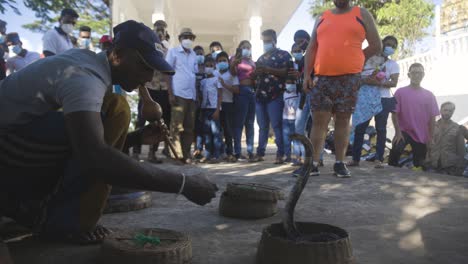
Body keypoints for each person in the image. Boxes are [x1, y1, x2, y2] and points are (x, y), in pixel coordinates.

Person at [0, 21, 217, 246]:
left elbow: (87, 142)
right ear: (117, 55)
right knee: (117, 112)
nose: (148, 77)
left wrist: (135, 139)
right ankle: (53, 218)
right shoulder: (85, 78)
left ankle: (50, 209)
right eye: (143, 67)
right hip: (7, 150)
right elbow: (94, 156)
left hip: (20, 142)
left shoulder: (91, 65)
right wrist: (182, 184)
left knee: (115, 107)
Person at [303, 0, 382, 177]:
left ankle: (339, 163)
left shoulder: (362, 14)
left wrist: (357, 58)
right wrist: (307, 75)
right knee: (319, 121)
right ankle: (313, 164)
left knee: (343, 120)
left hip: (349, 78)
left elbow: (377, 45)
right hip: (322, 77)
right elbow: (312, 47)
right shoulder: (322, 17)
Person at [349, 35, 400, 168]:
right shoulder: (367, 61)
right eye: (388, 44)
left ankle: (378, 159)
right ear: (381, 44)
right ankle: (355, 159)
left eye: (393, 46)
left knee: (381, 129)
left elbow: (393, 82)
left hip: (383, 99)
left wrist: (378, 82)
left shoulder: (393, 65)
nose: (390, 47)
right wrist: (367, 80)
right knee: (360, 127)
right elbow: (358, 77)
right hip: (366, 98)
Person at [251, 29, 292, 164]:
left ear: (274, 40)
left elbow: (287, 72)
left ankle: (281, 154)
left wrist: (268, 70)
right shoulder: (261, 58)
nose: (266, 44)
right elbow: (255, 78)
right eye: (264, 41)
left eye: (268, 41)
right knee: (262, 126)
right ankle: (260, 153)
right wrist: (255, 73)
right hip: (260, 96)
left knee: (276, 125)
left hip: (275, 95)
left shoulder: (284, 55)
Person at [133, 19, 171, 163]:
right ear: (153, 30)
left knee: (159, 121)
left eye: (162, 29)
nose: (160, 32)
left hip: (162, 89)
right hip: (148, 87)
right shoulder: (146, 46)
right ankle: (135, 152)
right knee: (141, 120)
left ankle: (152, 154)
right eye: (157, 29)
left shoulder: (168, 50)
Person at [388, 63, 439, 170]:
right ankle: (389, 176)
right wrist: (398, 132)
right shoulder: (400, 92)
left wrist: (431, 137)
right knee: (396, 150)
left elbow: (432, 119)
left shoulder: (429, 95)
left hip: (421, 134)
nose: (417, 75)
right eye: (414, 73)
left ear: (423, 75)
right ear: (409, 75)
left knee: (419, 164)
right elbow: (394, 113)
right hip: (404, 132)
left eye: (419, 73)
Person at [165, 28, 199, 163]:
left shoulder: (194, 54)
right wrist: (170, 93)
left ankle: (186, 155)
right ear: (180, 39)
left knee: (189, 127)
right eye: (185, 37)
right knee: (176, 127)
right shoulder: (173, 52)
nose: (188, 40)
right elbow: (167, 72)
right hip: (178, 93)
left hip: (191, 95)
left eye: (190, 37)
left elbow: (194, 74)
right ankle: (177, 155)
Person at [230, 40, 256, 161]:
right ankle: (238, 152)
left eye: (248, 47)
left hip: (252, 91)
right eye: (244, 47)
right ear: (239, 48)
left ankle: (250, 151)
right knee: (239, 123)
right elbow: (232, 73)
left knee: (250, 124)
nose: (246, 49)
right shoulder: (234, 59)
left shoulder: (252, 61)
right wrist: (234, 63)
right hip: (241, 91)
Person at [425, 102, 466, 176]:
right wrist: (426, 160)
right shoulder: (432, 126)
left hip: (450, 167)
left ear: (453, 112)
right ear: (440, 110)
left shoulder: (458, 128)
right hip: (432, 165)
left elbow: (461, 150)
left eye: (450, 111)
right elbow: (426, 145)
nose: (447, 113)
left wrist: (460, 167)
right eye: (445, 110)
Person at [216, 51, 240, 162]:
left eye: (224, 60)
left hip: (228, 104)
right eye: (219, 61)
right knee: (217, 130)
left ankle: (230, 152)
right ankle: (219, 153)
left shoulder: (231, 74)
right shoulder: (214, 73)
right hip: (215, 106)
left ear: (228, 62)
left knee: (228, 130)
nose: (222, 62)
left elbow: (236, 90)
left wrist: (224, 84)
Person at [199, 57, 223, 163]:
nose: (208, 68)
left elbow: (220, 95)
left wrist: (218, 110)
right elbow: (201, 96)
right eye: (206, 66)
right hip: (205, 109)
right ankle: (208, 154)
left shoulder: (217, 80)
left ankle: (217, 155)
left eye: (211, 66)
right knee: (206, 132)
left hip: (214, 109)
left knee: (216, 132)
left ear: (214, 67)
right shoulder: (203, 81)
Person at [282, 76, 300, 163]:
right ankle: (287, 156)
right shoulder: (284, 93)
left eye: (291, 83)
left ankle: (297, 157)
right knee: (286, 139)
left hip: (294, 119)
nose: (289, 85)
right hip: (285, 118)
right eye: (287, 83)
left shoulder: (297, 92)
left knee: (295, 139)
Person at [193, 45, 206, 160]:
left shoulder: (206, 68)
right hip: (193, 102)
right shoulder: (191, 67)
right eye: (197, 54)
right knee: (192, 127)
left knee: (201, 127)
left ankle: (199, 149)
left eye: (202, 54)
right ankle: (191, 149)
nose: (200, 56)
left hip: (204, 103)